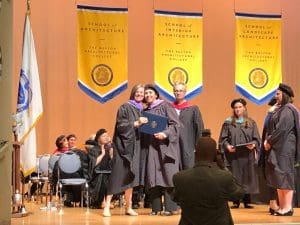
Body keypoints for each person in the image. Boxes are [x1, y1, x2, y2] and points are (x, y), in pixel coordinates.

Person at [172, 133, 245, 225]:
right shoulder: (224, 177)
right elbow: (240, 194)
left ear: (195, 154)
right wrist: (223, 167)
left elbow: (175, 198)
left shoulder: (180, 178)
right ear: (215, 155)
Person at [103, 84, 148, 217]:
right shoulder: (125, 107)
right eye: (138, 92)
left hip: (137, 147)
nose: (140, 94)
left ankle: (128, 207)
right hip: (123, 147)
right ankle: (106, 206)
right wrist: (136, 123)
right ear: (133, 93)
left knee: (131, 177)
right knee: (116, 176)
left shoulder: (143, 110)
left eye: (142, 92)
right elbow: (121, 125)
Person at [142, 84, 180, 216]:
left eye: (150, 92)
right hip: (151, 147)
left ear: (156, 94)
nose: (148, 95)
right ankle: (156, 208)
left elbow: (175, 124)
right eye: (146, 93)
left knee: (168, 175)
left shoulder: (165, 106)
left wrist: (165, 133)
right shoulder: (145, 111)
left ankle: (170, 208)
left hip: (165, 146)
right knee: (153, 176)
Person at [264, 83, 300, 216]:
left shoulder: (289, 109)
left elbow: (282, 129)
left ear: (285, 95)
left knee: (285, 175)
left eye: (278, 94)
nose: (276, 96)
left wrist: (269, 141)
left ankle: (288, 207)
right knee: (279, 177)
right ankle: (282, 206)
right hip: (278, 148)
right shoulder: (280, 109)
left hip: (285, 148)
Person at [219, 98, 260, 208]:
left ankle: (247, 201)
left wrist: (254, 145)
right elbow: (223, 139)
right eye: (235, 107)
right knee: (235, 177)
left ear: (244, 108)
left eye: (240, 107)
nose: (237, 109)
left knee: (248, 176)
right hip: (234, 155)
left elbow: (256, 139)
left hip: (247, 155)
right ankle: (236, 201)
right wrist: (227, 146)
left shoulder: (251, 122)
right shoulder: (228, 123)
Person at [171, 82, 204, 169]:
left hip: (188, 145)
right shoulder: (169, 108)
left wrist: (198, 146)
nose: (178, 93)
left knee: (188, 168)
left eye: (181, 91)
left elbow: (199, 129)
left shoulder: (193, 109)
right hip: (172, 145)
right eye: (176, 91)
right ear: (173, 92)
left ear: (185, 92)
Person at [258, 97, 279, 214]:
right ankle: (273, 203)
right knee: (274, 176)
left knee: (273, 176)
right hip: (273, 149)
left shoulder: (271, 114)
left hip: (272, 149)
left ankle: (273, 203)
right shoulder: (272, 114)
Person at [88, 129, 113, 209]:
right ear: (98, 138)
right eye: (103, 136)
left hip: (107, 171)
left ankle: (109, 200)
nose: (106, 137)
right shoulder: (93, 149)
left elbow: (112, 164)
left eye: (107, 136)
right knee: (102, 176)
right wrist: (102, 154)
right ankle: (102, 201)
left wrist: (111, 155)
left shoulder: (109, 148)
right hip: (96, 173)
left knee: (113, 176)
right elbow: (93, 164)